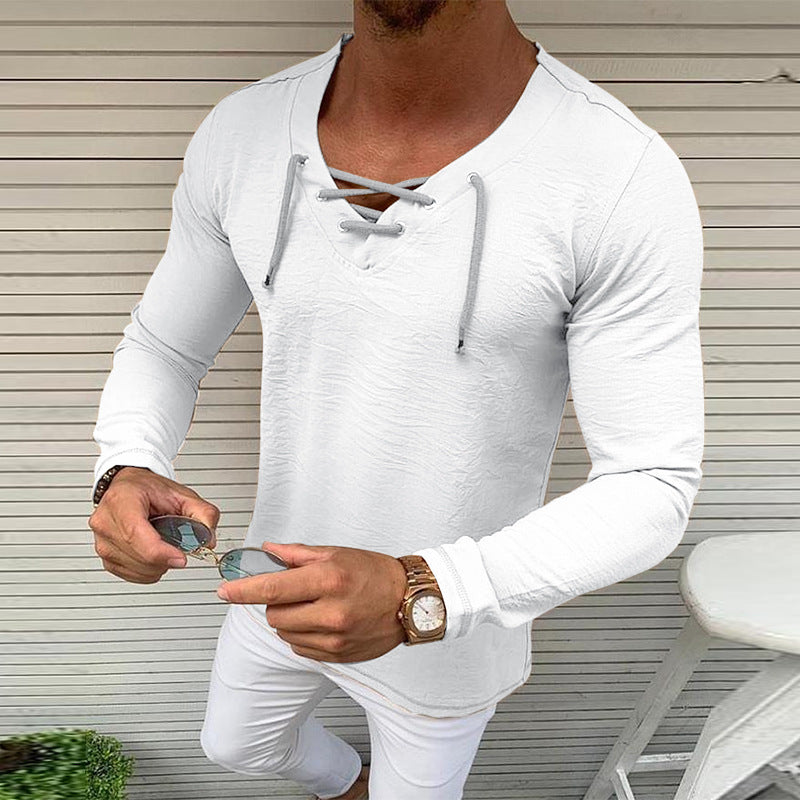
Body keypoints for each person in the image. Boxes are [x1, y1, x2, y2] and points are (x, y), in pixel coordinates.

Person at [87, 1, 705, 798]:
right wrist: (128, 462)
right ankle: (348, 781)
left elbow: (651, 484)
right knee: (234, 744)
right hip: (276, 574)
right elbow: (165, 346)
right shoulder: (242, 133)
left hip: (448, 633)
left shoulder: (619, 173)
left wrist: (425, 589)